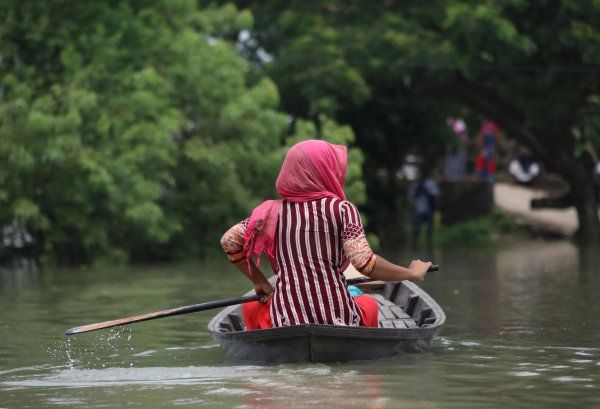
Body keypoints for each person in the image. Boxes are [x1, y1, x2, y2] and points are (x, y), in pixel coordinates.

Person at [220, 140, 431, 330]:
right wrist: (411, 273)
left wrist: (259, 281)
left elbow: (229, 240)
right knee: (369, 304)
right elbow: (365, 263)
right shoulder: (341, 209)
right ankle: (369, 374)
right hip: (339, 318)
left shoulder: (270, 213)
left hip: (286, 320)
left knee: (250, 309)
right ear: (324, 171)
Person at [409, 167, 440, 244]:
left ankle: (430, 247)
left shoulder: (431, 183)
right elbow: (412, 195)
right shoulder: (416, 184)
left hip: (429, 210)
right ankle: (414, 247)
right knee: (416, 230)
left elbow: (435, 196)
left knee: (429, 231)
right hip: (419, 210)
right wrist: (419, 189)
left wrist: (426, 190)